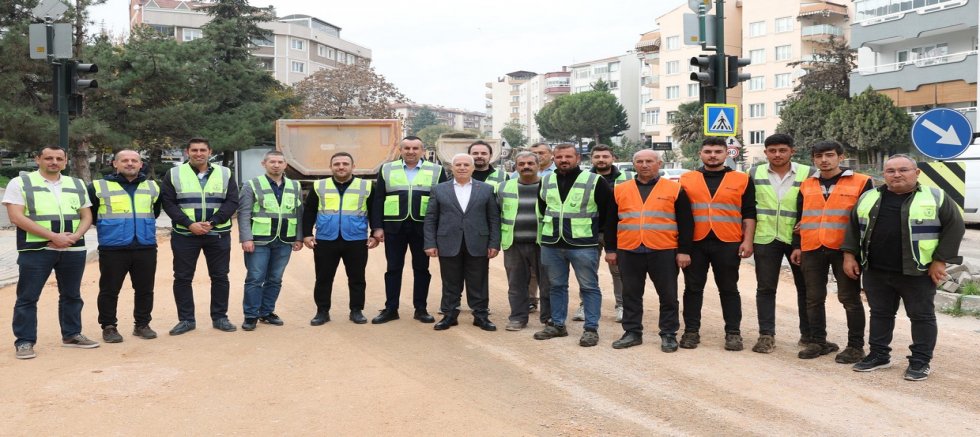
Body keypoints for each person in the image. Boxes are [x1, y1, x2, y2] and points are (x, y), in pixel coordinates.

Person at [844, 154, 964, 381]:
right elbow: (852, 226)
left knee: (921, 316)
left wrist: (940, 261)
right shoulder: (869, 197)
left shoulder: (936, 197)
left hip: (918, 270)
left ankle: (920, 361)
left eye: (903, 170)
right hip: (876, 269)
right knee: (880, 313)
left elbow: (954, 227)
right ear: (884, 174)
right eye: (891, 171)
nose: (896, 175)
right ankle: (879, 355)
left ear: (916, 173)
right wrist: (849, 255)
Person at [5, 146, 97, 359]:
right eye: (48, 158)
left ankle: (72, 335)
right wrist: (53, 236)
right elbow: (16, 217)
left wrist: (74, 237)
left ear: (65, 161)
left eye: (58, 158)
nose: (54, 162)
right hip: (36, 249)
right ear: (38, 159)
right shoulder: (20, 183)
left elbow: (86, 216)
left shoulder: (76, 184)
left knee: (72, 295)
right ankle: (25, 341)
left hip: (73, 248)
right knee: (28, 297)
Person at [790, 140, 874, 363]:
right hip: (812, 247)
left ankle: (855, 346)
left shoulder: (861, 182)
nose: (824, 160)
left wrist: (854, 252)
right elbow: (800, 217)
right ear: (813, 159)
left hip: (844, 250)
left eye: (829, 155)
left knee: (849, 298)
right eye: (818, 156)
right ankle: (818, 342)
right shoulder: (807, 184)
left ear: (841, 157)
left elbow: (865, 219)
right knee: (813, 298)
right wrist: (797, 245)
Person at [606, 150, 693, 352]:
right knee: (631, 294)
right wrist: (610, 249)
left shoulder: (675, 189)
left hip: (663, 249)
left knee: (668, 295)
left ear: (659, 164)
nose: (644, 165)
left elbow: (686, 223)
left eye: (649, 161)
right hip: (629, 249)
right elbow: (610, 222)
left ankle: (669, 334)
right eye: (639, 161)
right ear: (634, 164)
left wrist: (684, 251)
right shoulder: (620, 189)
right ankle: (632, 332)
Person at [678, 137, 756, 351]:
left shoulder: (742, 179)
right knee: (693, 289)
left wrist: (748, 240)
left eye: (717, 151)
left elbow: (749, 212)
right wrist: (682, 247)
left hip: (728, 242)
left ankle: (733, 333)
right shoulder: (686, 179)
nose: (712, 155)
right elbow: (680, 214)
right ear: (700, 154)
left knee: (729, 289)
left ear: (726, 154)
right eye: (708, 151)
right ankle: (691, 332)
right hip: (695, 243)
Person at [532, 143, 613, 347]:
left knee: (589, 287)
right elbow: (542, 209)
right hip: (551, 243)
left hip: (583, 244)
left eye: (568, 156)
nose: (563, 160)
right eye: (559, 157)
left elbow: (608, 212)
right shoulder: (546, 180)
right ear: (554, 159)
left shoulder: (595, 181)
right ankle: (558, 325)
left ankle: (591, 329)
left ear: (578, 158)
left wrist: (601, 237)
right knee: (556, 286)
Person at [161, 137, 239, 335]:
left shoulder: (225, 173)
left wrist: (213, 222)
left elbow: (232, 201)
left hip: (217, 233)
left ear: (210, 152)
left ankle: (220, 317)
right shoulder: (174, 173)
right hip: (185, 234)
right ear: (187, 152)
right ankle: (186, 320)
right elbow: (168, 202)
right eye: (194, 150)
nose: (198, 154)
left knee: (220, 276)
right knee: (182, 277)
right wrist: (189, 224)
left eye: (202, 150)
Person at [370, 136, 448, 324]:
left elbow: (443, 201)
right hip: (394, 227)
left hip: (423, 227)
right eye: (407, 148)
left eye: (415, 148)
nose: (411, 152)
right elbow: (378, 199)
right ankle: (391, 309)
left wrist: (438, 229)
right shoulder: (387, 169)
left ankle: (420, 309)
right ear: (400, 150)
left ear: (422, 151)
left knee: (422, 269)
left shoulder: (436, 170)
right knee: (393, 268)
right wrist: (377, 227)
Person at [88, 149, 162, 343]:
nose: (130, 163)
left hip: (145, 246)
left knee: (145, 289)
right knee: (109, 290)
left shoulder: (152, 186)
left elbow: (155, 211)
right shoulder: (98, 186)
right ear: (115, 164)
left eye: (134, 161)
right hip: (113, 247)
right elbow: (92, 215)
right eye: (125, 160)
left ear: (140, 164)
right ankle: (109, 327)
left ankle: (142, 324)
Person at [749, 134, 814, 353]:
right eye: (772, 150)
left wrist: (804, 233)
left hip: (798, 239)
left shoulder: (808, 173)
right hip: (765, 237)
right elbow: (748, 206)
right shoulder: (754, 173)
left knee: (805, 288)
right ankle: (766, 335)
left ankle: (808, 335)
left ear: (792, 151)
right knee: (766, 288)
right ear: (765, 152)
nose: (777, 154)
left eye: (782, 150)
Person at [424, 153, 501, 331]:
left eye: (466, 165)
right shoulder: (439, 189)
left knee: (478, 281)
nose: (462, 167)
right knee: (450, 282)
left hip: (478, 242)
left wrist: (494, 243)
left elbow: (493, 218)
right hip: (448, 242)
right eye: (458, 164)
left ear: (473, 168)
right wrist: (430, 243)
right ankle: (449, 315)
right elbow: (431, 218)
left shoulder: (486, 189)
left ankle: (481, 316)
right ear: (451, 168)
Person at [303, 152, 379, 325]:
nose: (341, 167)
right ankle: (322, 312)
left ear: (353, 166)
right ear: (331, 167)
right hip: (325, 239)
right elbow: (309, 210)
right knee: (323, 278)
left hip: (356, 239)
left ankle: (356, 310)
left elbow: (374, 211)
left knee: (357, 278)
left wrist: (374, 233)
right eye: (337, 164)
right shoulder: (319, 186)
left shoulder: (366, 186)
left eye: (345, 164)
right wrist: (307, 233)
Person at [237, 151, 303, 331]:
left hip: (284, 240)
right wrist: (246, 238)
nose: (276, 165)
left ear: (285, 165)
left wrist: (298, 237)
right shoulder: (251, 185)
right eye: (272, 161)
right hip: (259, 240)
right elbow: (244, 213)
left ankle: (266, 312)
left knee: (275, 279)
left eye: (280, 162)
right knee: (255, 278)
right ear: (264, 164)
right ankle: (251, 315)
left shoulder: (295, 186)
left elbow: (298, 213)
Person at [577, 144, 633, 323]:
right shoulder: (583, 179)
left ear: (613, 158)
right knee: (587, 271)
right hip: (589, 230)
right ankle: (585, 305)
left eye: (605, 156)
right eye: (597, 156)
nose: (601, 160)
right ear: (591, 159)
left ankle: (622, 306)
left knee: (619, 271)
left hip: (618, 231)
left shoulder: (628, 178)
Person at [498, 151, 551, 331]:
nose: (526, 167)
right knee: (516, 284)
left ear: (538, 165)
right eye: (521, 164)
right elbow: (497, 214)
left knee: (547, 283)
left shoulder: (548, 187)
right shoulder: (503, 187)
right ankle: (518, 317)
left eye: (530, 163)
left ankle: (549, 318)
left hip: (543, 243)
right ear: (516, 167)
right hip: (514, 243)